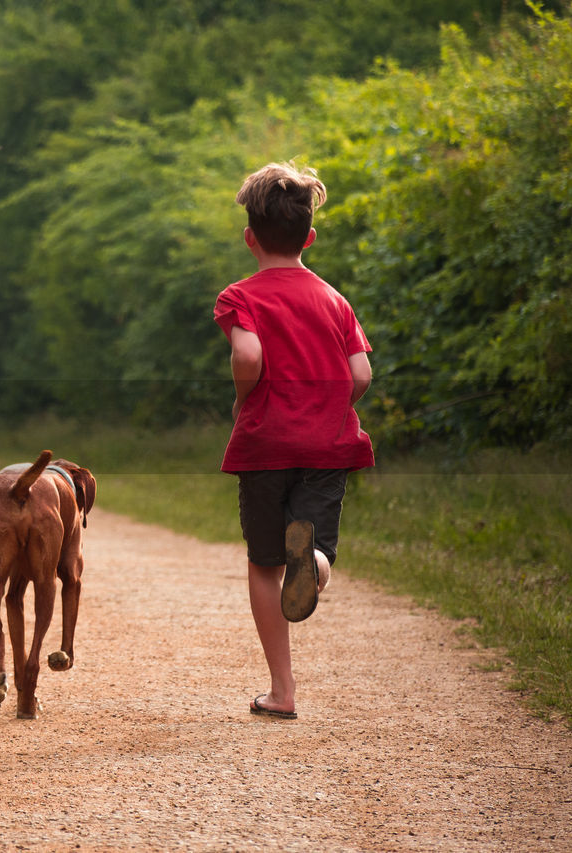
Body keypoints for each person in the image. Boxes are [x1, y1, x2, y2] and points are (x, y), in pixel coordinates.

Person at [213, 161, 374, 720]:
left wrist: (243, 397)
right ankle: (318, 567)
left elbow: (249, 355)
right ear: (309, 236)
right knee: (316, 544)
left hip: (264, 444)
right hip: (326, 445)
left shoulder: (241, 296)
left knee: (264, 563)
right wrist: (334, 407)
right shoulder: (334, 300)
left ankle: (282, 693)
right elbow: (360, 375)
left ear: (249, 238)